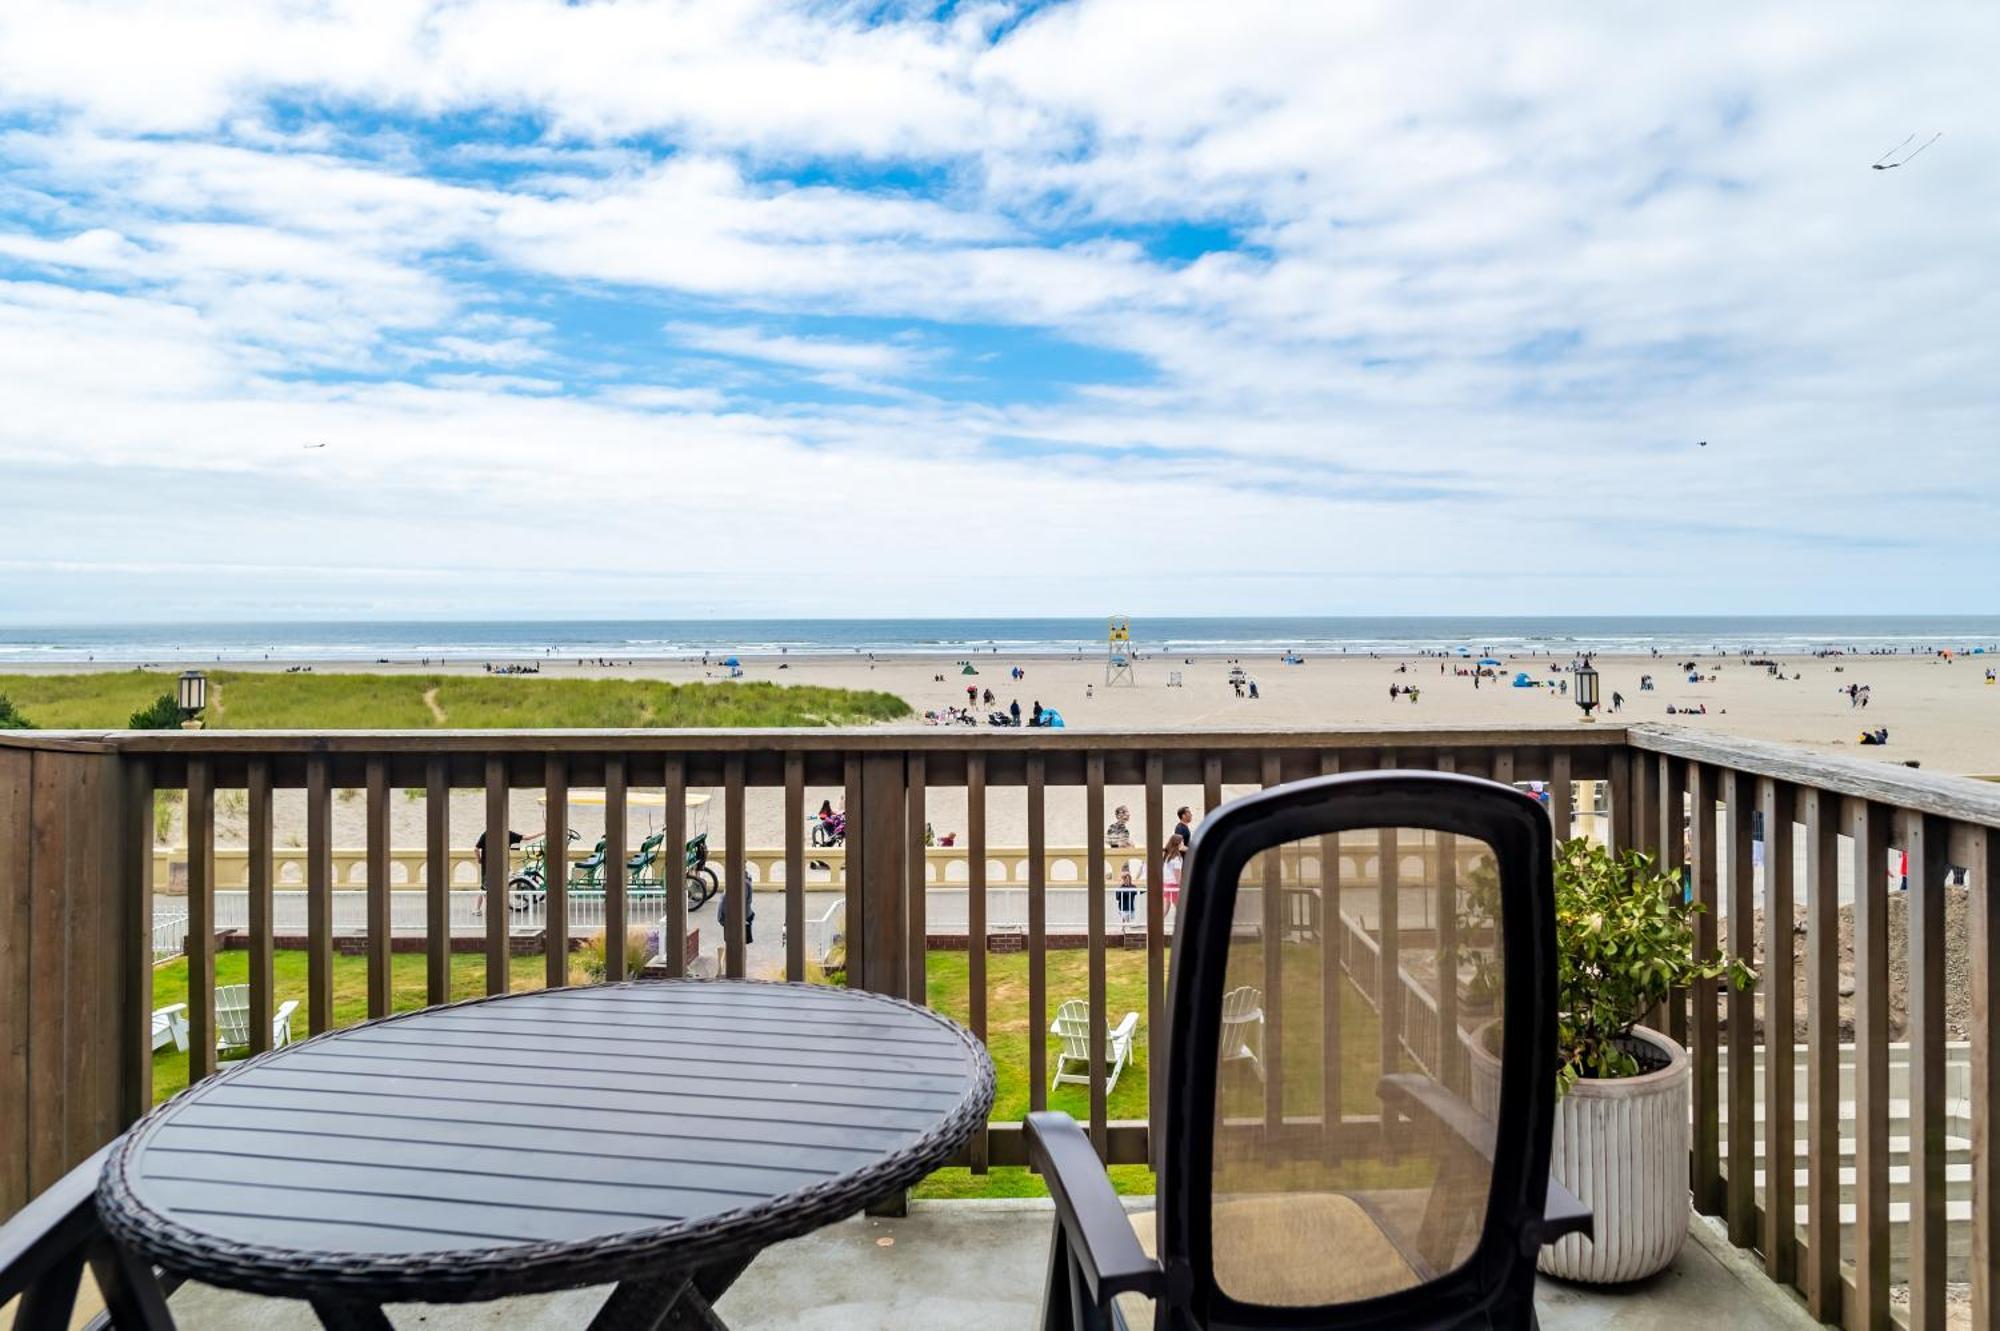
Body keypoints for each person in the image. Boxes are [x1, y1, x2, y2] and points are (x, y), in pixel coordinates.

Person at [472, 827, 523, 916]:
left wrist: (479, 859)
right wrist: (543, 832)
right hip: (502, 866)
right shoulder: (508, 833)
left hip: (488, 866)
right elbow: (526, 837)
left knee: (484, 888)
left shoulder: (486, 833)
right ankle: (500, 908)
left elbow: (476, 849)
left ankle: (479, 909)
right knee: (501, 887)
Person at [716, 867, 755, 943]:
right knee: (736, 942)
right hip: (734, 917)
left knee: (735, 942)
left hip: (735, 917)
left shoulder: (740, 883)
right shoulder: (741, 882)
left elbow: (739, 903)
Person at [1162, 834, 1186, 911]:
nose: (1183, 844)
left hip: (1166, 885)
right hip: (1173, 886)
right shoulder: (1176, 858)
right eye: (1182, 842)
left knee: (1166, 907)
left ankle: (1155, 922)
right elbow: (1177, 875)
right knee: (1181, 909)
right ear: (1177, 843)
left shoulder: (1168, 856)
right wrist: (1182, 886)